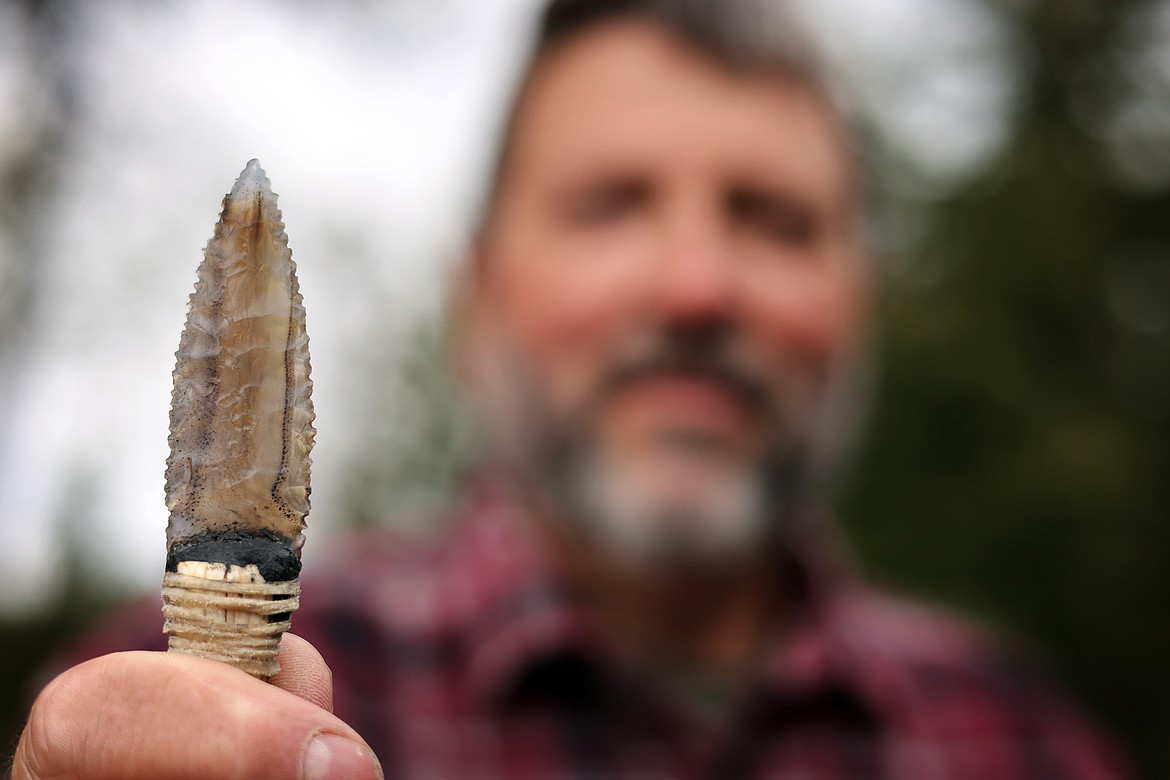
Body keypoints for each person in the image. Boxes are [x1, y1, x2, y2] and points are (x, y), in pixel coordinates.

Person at [12, 0, 1129, 778]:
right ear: (479, 298)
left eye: (773, 219)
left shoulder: (1031, 744)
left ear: (860, 298)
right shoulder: (159, 707)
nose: (695, 288)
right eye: (610, 205)